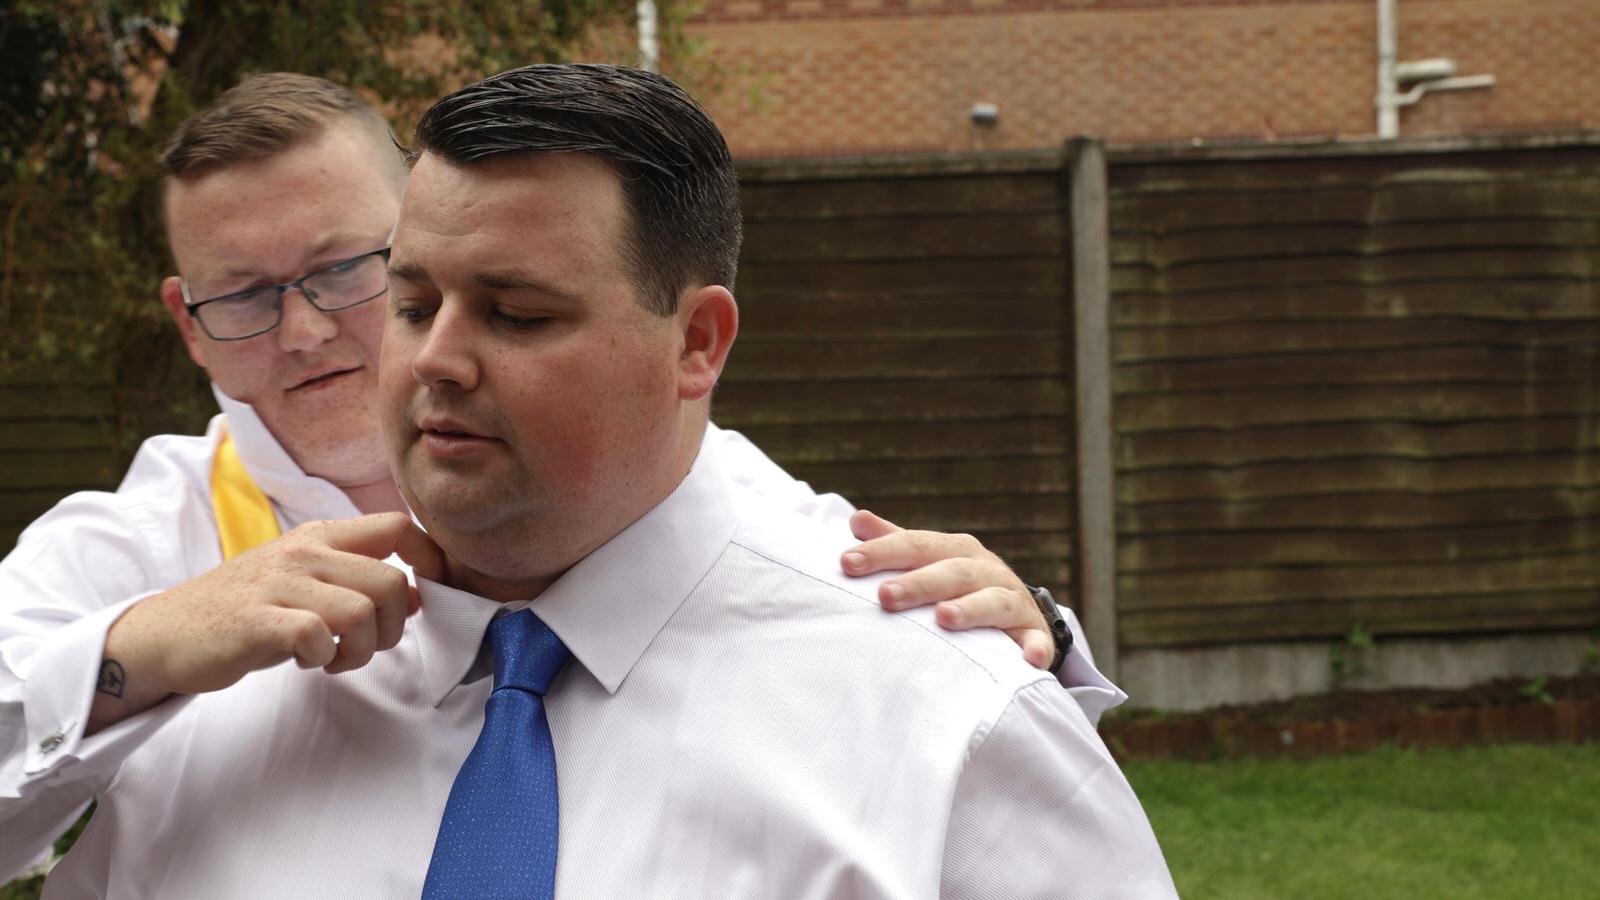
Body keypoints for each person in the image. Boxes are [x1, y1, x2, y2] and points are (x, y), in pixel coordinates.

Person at [0, 72, 1121, 886]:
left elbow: (828, 627)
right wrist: (128, 658)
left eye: (346, 275)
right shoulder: (156, 613)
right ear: (186, 319)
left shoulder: (879, 649)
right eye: (243, 295)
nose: (306, 332)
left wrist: (1019, 655)